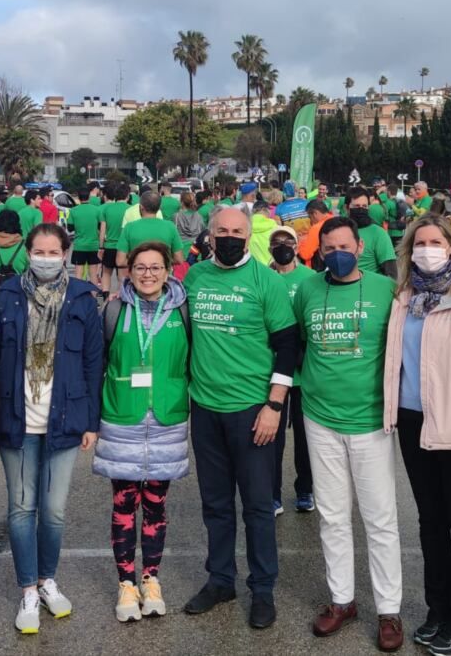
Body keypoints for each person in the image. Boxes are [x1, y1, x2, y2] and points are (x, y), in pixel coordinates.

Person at [382, 214, 451, 654]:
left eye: (436, 242)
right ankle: (439, 610)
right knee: (430, 523)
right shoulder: (405, 296)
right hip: (413, 423)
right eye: (420, 242)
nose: (428, 249)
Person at [181, 206, 300, 629]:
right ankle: (220, 580)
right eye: (221, 231)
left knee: (257, 507)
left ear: (249, 237)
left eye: (237, 231)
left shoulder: (265, 281)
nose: (228, 237)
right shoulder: (194, 277)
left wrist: (274, 406)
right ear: (209, 235)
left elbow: (288, 346)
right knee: (215, 504)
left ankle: (263, 589)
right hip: (206, 408)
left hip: (253, 410)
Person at [292, 217, 404, 652]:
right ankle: (342, 600)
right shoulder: (306, 289)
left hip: (371, 422)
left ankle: (388, 609)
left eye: (344, 245)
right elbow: (301, 339)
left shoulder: (384, 290)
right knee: (333, 516)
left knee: (380, 519)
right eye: (328, 247)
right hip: (319, 418)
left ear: (360, 247)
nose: (336, 253)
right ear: (319, 253)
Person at [0, 223, 104, 634]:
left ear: (65, 254)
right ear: (28, 252)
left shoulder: (82, 298)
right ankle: (27, 590)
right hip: (16, 420)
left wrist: (91, 421)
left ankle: (47, 579)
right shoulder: (6, 295)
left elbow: (94, 362)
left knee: (53, 511)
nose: (45, 257)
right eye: (38, 250)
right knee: (21, 509)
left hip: (64, 420)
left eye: (53, 251)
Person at [94, 242, 191, 623]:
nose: (148, 274)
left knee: (155, 504)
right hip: (123, 417)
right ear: (128, 272)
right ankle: (126, 583)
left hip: (167, 417)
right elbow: (97, 360)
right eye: (140, 267)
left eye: (155, 267)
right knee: (123, 504)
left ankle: (151, 579)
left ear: (168, 271)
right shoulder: (114, 308)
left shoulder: (183, 309)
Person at [268, 227, 316, 514]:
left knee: (304, 435)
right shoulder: (262, 276)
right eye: (277, 243)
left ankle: (305, 490)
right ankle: (272, 494)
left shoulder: (310, 279)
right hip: (271, 369)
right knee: (270, 437)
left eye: (288, 242)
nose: (283, 247)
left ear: (297, 247)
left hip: (303, 369)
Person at [116, 192, 184, 268]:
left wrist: (139, 264)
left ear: (141, 207)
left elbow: (120, 261)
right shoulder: (170, 226)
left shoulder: (129, 227)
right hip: (162, 275)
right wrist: (160, 263)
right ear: (159, 208)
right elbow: (179, 258)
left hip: (138, 275)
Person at [346, 186, 397, 278]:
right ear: (347, 208)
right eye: (357, 206)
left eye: (364, 206)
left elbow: (391, 272)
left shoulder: (378, 233)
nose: (361, 209)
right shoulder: (339, 231)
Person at [66, 187, 103, 288]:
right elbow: (101, 227)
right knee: (93, 274)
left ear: (78, 198)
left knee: (78, 274)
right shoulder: (97, 210)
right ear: (89, 197)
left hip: (79, 246)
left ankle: (80, 296)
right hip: (93, 246)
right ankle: (93, 297)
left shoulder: (73, 211)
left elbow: (69, 228)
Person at [99, 183, 132, 296]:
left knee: (106, 273)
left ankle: (105, 296)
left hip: (109, 246)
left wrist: (101, 246)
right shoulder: (131, 210)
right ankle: (120, 296)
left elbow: (103, 230)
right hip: (124, 248)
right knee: (122, 275)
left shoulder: (107, 209)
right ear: (127, 196)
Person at [298, 199, 334, 269]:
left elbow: (305, 254)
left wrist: (300, 241)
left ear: (315, 213)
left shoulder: (316, 228)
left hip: (317, 269)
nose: (310, 220)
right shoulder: (336, 220)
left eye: (309, 217)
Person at [174, 190, 205, 258]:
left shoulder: (176, 216)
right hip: (196, 252)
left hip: (181, 254)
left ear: (181, 202)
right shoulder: (199, 216)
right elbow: (203, 232)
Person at [248, 200, 279, 265]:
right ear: (264, 209)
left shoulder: (246, 226)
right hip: (271, 266)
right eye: (269, 209)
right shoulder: (273, 225)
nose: (270, 212)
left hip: (253, 266)